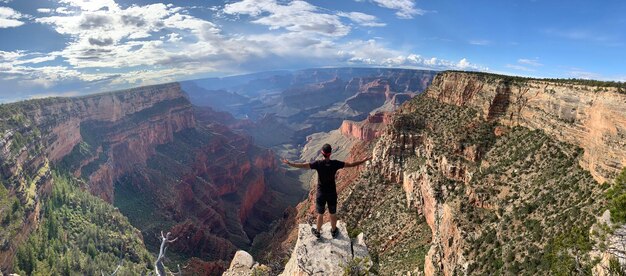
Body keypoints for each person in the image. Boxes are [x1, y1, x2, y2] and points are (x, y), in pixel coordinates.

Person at [282, 144, 371, 239]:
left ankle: (318, 231)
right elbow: (351, 164)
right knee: (333, 213)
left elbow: (303, 166)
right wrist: (364, 160)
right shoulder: (335, 163)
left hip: (321, 193)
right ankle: (333, 231)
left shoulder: (318, 164)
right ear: (330, 153)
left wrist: (290, 163)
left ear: (322, 153)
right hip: (332, 193)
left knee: (320, 214)